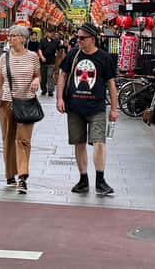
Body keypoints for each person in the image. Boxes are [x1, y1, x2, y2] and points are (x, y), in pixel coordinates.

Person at [57, 23, 118, 197]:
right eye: (77, 37)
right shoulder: (73, 54)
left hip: (96, 107)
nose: (78, 40)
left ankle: (100, 180)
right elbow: (63, 75)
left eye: (82, 38)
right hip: (75, 107)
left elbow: (112, 85)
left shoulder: (104, 58)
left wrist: (114, 109)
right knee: (79, 143)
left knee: (99, 142)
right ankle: (83, 179)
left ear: (92, 39)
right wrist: (59, 98)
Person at [0, 25, 40, 194]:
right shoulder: (4, 58)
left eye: (13, 36)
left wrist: (36, 81)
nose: (9, 38)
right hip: (6, 103)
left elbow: (37, 75)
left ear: (23, 39)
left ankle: (22, 177)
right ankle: (10, 173)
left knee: (23, 140)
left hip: (26, 103)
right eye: (9, 36)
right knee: (8, 138)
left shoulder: (33, 57)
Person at [38, 29, 60, 96]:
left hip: (52, 61)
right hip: (43, 61)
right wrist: (41, 57)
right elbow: (39, 49)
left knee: (50, 75)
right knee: (44, 76)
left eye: (52, 33)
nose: (51, 34)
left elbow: (58, 50)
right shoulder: (42, 40)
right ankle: (43, 89)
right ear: (47, 33)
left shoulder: (55, 41)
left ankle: (50, 90)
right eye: (49, 32)